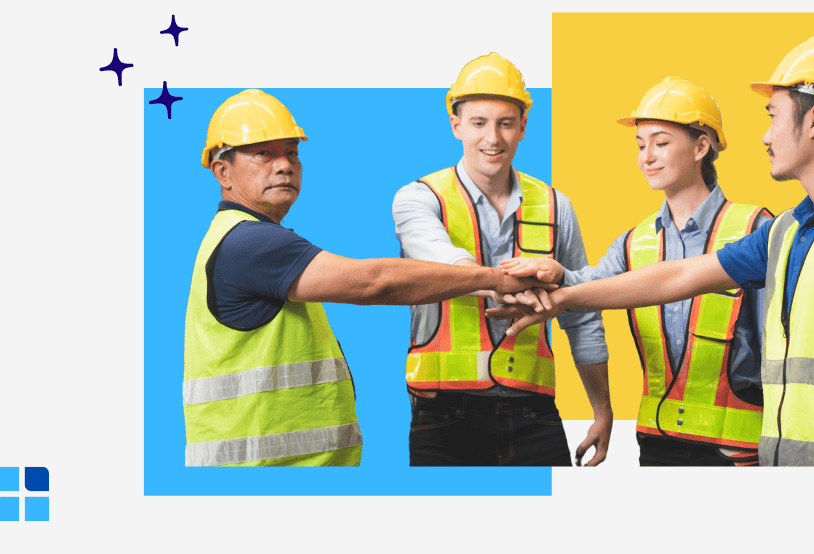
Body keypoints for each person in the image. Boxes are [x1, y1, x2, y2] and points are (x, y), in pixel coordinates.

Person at [491, 36, 814, 466]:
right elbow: (678, 276)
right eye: (641, 144)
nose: (765, 136)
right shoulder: (786, 230)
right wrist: (562, 295)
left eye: (773, 116)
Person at [184, 89, 551, 467]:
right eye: (264, 153)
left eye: (291, 152)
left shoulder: (239, 238)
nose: (285, 166)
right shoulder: (250, 243)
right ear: (222, 172)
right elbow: (374, 282)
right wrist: (495, 279)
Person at [502, 77, 773, 466]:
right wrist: (558, 273)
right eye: (641, 145)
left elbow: (780, 343)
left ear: (701, 147)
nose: (647, 157)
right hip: (656, 443)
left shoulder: (755, 229)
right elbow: (589, 289)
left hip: (736, 448)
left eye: (661, 143)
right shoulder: (634, 242)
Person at [392, 53, 613, 466]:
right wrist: (509, 284)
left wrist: (602, 410)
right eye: (479, 123)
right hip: (442, 414)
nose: (492, 138)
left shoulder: (556, 206)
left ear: (523, 127)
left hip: (533, 411)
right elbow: (447, 265)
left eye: (505, 123)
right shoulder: (418, 199)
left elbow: (582, 314)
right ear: (456, 125)